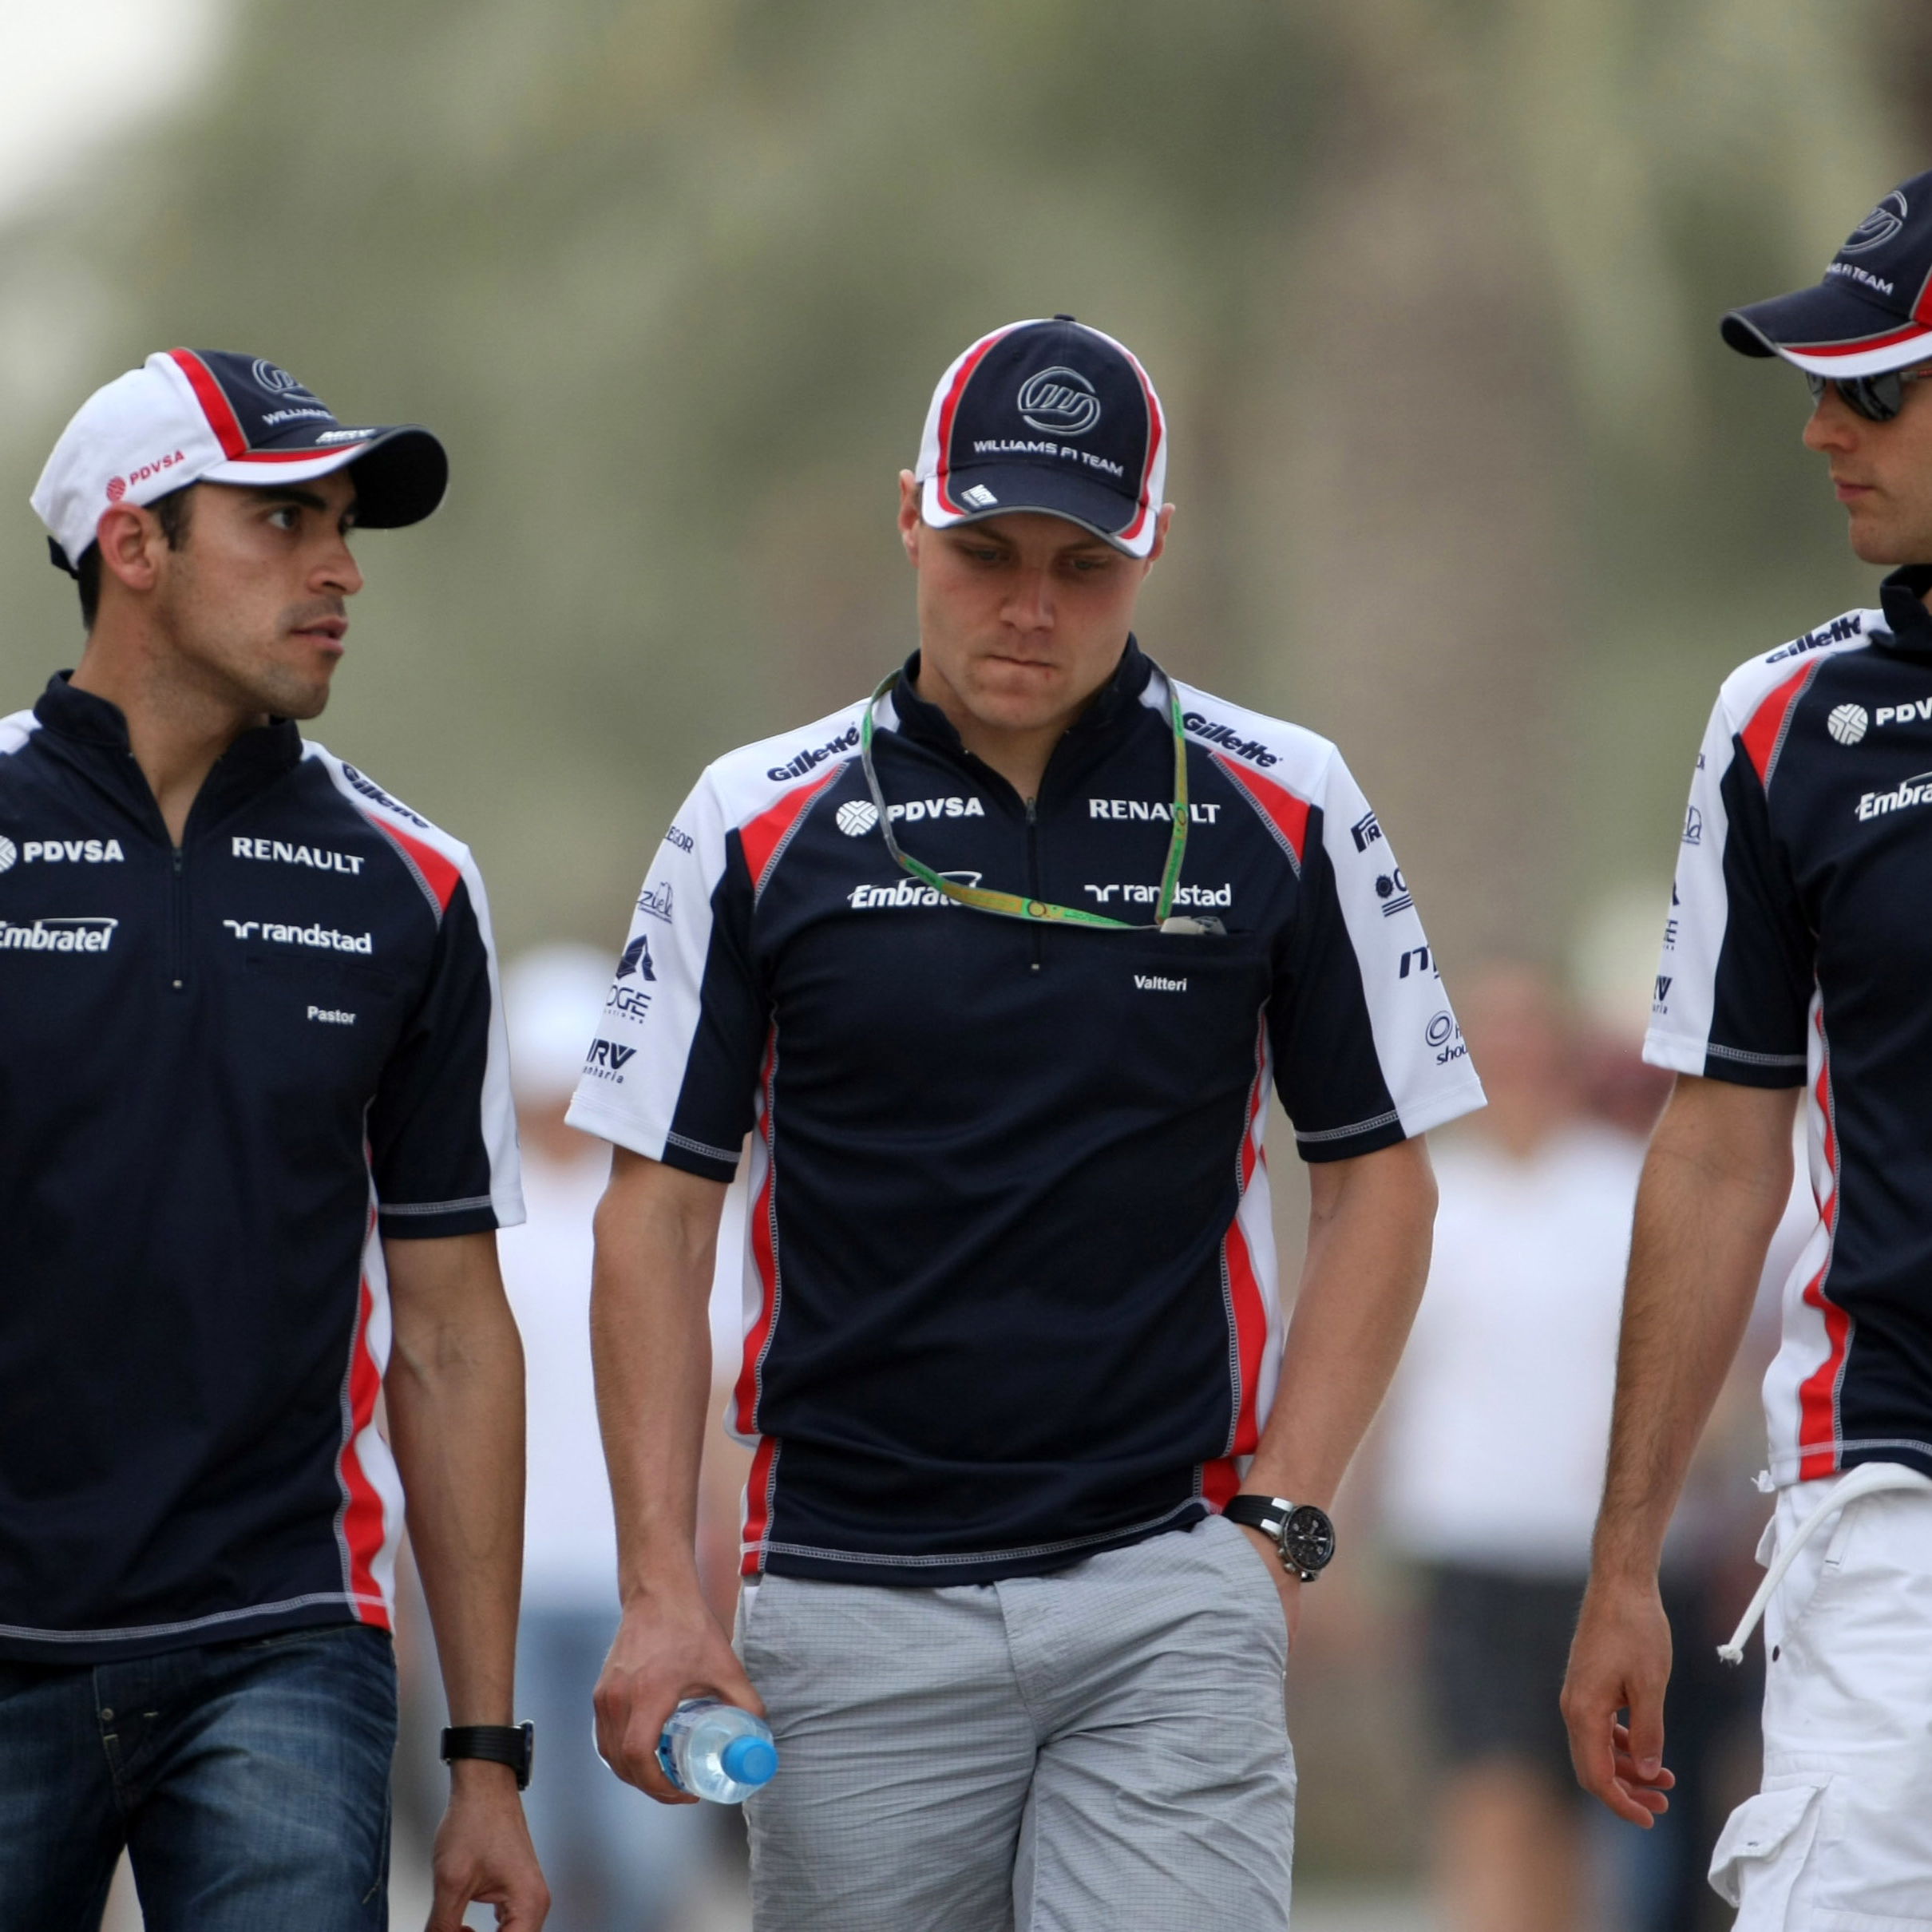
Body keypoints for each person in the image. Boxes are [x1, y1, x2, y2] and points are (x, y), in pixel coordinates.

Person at [570, 315, 1487, 1930]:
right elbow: (653, 1214)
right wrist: (660, 1589)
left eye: (1086, 561)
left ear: (1152, 552)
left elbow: (1382, 1183)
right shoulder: (754, 817)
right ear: (909, 513)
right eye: (987, 547)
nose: (1031, 604)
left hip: (1167, 1589)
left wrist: (1278, 1529)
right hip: (849, 1606)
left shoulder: (1288, 797)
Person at [0, 350, 548, 1930]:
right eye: (285, 519)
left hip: (282, 1639)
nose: (340, 570)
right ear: (132, 543)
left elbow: (451, 1336)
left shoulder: (416, 882)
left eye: (347, 524)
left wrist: (488, 1761)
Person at [1563, 171, 1932, 1927]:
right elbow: (1717, 1151)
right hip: (1889, 1500)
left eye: (1874, 391)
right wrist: (1623, 1557)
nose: (1816, 432)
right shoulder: (1784, 719)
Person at [1378, 964, 1642, 1932]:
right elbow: (1378, 1378)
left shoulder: (1623, 1189)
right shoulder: (1427, 1193)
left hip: (1593, 1549)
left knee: (1577, 1815)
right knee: (1489, 1799)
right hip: (1467, 1535)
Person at [495, 944, 715, 1930]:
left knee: (643, 1856)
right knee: (525, 1844)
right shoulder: (480, 1215)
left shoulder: (660, 1211)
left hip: (637, 1580)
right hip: (508, 1586)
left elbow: (715, 1393)